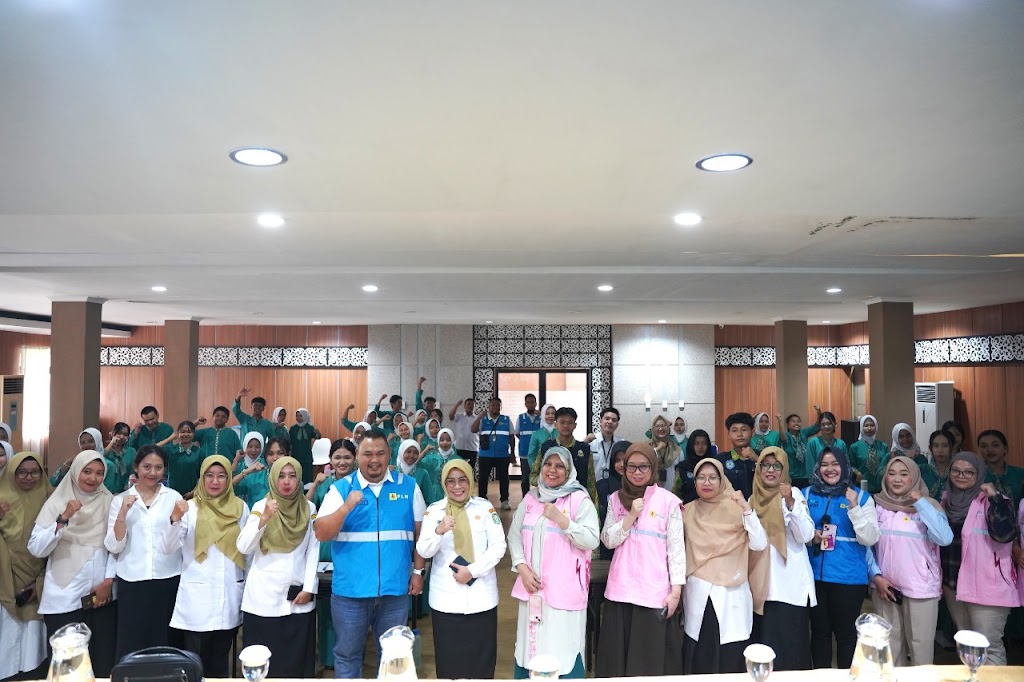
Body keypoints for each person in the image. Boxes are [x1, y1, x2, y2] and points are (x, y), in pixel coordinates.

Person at [314, 429, 426, 679]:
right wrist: (346, 507)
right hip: (350, 594)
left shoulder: (409, 487)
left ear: (389, 455)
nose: (374, 460)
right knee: (347, 655)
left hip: (394, 592)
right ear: (357, 455)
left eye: (380, 453)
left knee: (395, 659)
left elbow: (421, 534)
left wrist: (418, 571)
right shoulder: (341, 489)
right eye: (367, 454)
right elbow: (321, 532)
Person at [508, 446, 598, 679]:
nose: (552, 470)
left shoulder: (579, 500)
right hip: (532, 590)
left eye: (559, 466)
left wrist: (563, 521)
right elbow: (514, 535)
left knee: (562, 650)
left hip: (563, 593)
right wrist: (522, 567)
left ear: (568, 471)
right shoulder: (531, 498)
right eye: (548, 464)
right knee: (530, 649)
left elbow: (591, 539)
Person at [596, 443, 683, 677]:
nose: (637, 472)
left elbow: (676, 550)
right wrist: (631, 516)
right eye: (631, 466)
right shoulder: (615, 499)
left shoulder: (668, 501)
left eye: (643, 466)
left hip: (653, 592)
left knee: (648, 661)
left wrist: (676, 592)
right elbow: (608, 540)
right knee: (617, 661)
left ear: (653, 468)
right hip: (620, 591)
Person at [29, 451, 116, 677]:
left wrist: (108, 581)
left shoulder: (108, 501)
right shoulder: (57, 502)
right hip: (64, 596)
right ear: (76, 471)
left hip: (99, 598)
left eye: (99, 473)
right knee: (66, 667)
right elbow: (36, 548)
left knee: (101, 664)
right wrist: (64, 518)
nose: (93, 478)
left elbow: (116, 546)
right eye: (87, 471)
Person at [419, 459, 508, 679]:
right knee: (449, 663)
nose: (457, 486)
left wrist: (473, 571)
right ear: (444, 483)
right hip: (446, 601)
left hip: (481, 599)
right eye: (450, 481)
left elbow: (498, 546)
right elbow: (424, 550)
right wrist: (439, 531)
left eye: (462, 480)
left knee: (482, 663)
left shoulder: (484, 508)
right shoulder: (434, 511)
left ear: (470, 481)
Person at [162, 455, 248, 677]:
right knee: (195, 662)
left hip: (228, 593)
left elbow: (246, 551)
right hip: (197, 599)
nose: (215, 481)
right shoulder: (189, 508)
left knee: (221, 660)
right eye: (209, 475)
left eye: (221, 476)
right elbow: (168, 547)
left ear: (229, 479)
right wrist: (174, 519)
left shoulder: (240, 508)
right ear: (201, 478)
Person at [682, 458, 767, 674]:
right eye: (701, 477)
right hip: (698, 591)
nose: (706, 482)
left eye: (712, 477)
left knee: (730, 653)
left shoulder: (738, 508)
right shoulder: (687, 511)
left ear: (722, 480)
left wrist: (746, 508)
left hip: (731, 593)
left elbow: (759, 543)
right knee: (700, 652)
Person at [866, 456, 953, 667]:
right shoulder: (878, 506)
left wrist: (920, 503)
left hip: (920, 588)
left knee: (920, 648)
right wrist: (876, 576)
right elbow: (867, 546)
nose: (896, 479)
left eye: (904, 474)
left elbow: (944, 538)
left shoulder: (929, 505)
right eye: (891, 473)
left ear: (914, 477)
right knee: (889, 647)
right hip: (885, 588)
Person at [237, 456, 319, 679]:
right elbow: (243, 546)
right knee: (263, 664)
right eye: (281, 476)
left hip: (297, 597)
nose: (286, 481)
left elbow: (313, 550)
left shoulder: (309, 508)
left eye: (292, 476)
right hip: (262, 600)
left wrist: (309, 588)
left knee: (295, 663)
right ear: (273, 478)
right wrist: (264, 519)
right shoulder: (261, 506)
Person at [940, 451, 1020, 666]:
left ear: (979, 474)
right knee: (966, 642)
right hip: (953, 583)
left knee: (989, 646)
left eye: (968, 472)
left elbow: (1004, 534)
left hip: (986, 586)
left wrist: (994, 498)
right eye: (956, 471)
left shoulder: (995, 501)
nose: (961, 476)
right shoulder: (946, 500)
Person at [104, 445, 184, 660]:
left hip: (167, 578)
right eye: (147, 467)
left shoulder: (173, 498)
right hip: (132, 580)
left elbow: (179, 540)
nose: (152, 472)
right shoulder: (120, 500)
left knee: (165, 642)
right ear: (136, 467)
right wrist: (122, 514)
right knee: (132, 640)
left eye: (158, 467)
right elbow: (114, 546)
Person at [804, 447, 880, 669]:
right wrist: (811, 537)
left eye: (835, 464)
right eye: (824, 464)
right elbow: (797, 532)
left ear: (845, 466)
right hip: (814, 577)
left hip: (848, 579)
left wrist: (854, 507)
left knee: (846, 636)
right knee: (819, 634)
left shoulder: (862, 498)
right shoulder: (807, 494)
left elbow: (870, 538)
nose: (830, 469)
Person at [748, 447, 816, 671]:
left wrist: (789, 502)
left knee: (792, 650)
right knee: (766, 650)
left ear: (784, 469)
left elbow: (806, 535)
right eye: (765, 465)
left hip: (791, 586)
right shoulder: (752, 499)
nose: (770, 470)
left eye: (776, 466)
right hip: (763, 585)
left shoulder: (794, 494)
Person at [0, 452, 51, 680]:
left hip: (37, 574)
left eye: (34, 472)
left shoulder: (50, 497)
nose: (29, 478)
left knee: (32, 639)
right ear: (12, 473)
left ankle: (30, 673)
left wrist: (41, 580)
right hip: (5, 574)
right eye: (22, 472)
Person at [308, 439, 357, 670]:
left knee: (350, 611)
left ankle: (350, 657)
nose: (342, 462)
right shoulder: (324, 484)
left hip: (352, 550)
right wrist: (315, 486)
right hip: (327, 550)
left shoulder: (360, 484)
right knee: (326, 607)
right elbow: (308, 509)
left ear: (355, 458)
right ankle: (329, 658)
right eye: (337, 457)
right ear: (330, 460)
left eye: (347, 457)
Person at [531, 407, 598, 507]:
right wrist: (548, 484)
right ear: (555, 424)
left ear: (575, 425)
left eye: (570, 422)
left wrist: (593, 505)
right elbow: (533, 476)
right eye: (562, 422)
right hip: (551, 501)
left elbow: (591, 481)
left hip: (577, 500)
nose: (566, 426)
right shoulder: (547, 447)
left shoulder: (584, 449)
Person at [472, 397, 514, 510]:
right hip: (485, 455)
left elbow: (511, 437)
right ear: (489, 407)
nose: (495, 407)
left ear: (500, 407)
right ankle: (482, 499)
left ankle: (504, 500)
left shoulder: (506, 419)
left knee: (504, 479)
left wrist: (512, 453)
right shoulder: (483, 420)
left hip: (502, 455)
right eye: (493, 405)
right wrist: (479, 417)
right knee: (483, 478)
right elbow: (473, 429)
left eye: (497, 405)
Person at [891, 422, 941, 500]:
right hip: (896, 498)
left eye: (908, 435)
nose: (905, 439)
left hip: (918, 498)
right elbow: (881, 479)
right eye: (901, 436)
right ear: (895, 439)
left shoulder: (921, 458)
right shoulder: (890, 457)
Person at [776, 406, 823, 488]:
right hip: (792, 476)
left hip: (806, 475)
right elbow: (782, 437)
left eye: (798, 421)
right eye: (793, 421)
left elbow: (817, 427)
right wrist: (780, 422)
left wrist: (819, 412)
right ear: (788, 425)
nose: (796, 423)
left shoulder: (803, 433)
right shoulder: (787, 436)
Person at [978, 429, 1024, 507]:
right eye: (984, 446)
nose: (990, 450)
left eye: (995, 445)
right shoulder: (976, 475)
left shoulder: (1020, 473)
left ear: (1005, 448)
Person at [718, 412, 758, 499]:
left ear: (752, 432)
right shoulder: (720, 460)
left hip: (758, 505)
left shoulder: (764, 456)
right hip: (731, 506)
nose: (739, 434)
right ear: (728, 435)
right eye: (734, 430)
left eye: (744, 429)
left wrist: (757, 459)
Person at [673, 429, 717, 504]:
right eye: (696, 444)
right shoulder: (682, 468)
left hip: (712, 507)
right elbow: (676, 493)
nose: (700, 447)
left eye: (704, 443)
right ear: (691, 445)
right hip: (688, 508)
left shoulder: (714, 465)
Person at [849, 414, 889, 494]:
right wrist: (856, 472)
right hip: (861, 488)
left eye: (872, 425)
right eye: (866, 425)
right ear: (861, 427)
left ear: (876, 427)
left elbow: (887, 465)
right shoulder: (855, 447)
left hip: (881, 489)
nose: (869, 428)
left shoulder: (883, 446)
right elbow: (849, 465)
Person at [165, 420, 205, 496]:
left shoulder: (200, 453)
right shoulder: (170, 450)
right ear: (178, 433)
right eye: (182, 432)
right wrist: (170, 438)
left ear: (193, 434)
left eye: (189, 432)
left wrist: (194, 491)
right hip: (172, 493)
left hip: (192, 493)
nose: (186, 434)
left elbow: (203, 476)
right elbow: (152, 449)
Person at [398, 439, 442, 505]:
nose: (412, 455)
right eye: (408, 451)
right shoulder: (393, 473)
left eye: (416, 453)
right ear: (401, 452)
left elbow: (429, 500)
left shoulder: (423, 474)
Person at [514, 394, 541, 497]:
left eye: (532, 402)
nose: (530, 404)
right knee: (525, 478)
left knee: (540, 477)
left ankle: (541, 498)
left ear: (535, 403)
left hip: (539, 453)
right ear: (525, 404)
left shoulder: (541, 418)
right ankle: (525, 498)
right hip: (525, 453)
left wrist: (542, 415)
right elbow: (517, 433)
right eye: (528, 402)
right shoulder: (521, 417)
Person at [591, 407, 623, 491]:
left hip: (615, 487)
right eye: (607, 418)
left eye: (614, 420)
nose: (610, 422)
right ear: (600, 421)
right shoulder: (590, 443)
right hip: (593, 488)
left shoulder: (621, 444)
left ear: (617, 424)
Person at [806, 411, 847, 476]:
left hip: (838, 480)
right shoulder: (813, 443)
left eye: (829, 424)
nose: (826, 427)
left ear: (835, 424)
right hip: (818, 480)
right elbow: (810, 468)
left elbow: (845, 466)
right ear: (819, 426)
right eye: (823, 424)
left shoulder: (841, 444)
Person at [649, 414, 682, 491]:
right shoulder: (647, 446)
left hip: (672, 490)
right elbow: (645, 460)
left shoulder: (676, 448)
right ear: (653, 429)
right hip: (652, 490)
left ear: (668, 428)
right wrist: (657, 449)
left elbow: (681, 470)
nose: (660, 428)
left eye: (663, 425)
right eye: (657, 426)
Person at [289, 408, 321, 486]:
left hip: (307, 456)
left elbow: (318, 437)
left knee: (307, 476)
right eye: (297, 416)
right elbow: (289, 441)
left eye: (300, 416)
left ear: (305, 416)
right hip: (296, 455)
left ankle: (308, 492)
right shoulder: (293, 428)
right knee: (296, 475)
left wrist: (317, 432)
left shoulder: (310, 427)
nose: (298, 418)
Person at [103, 422, 136, 495]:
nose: (122, 436)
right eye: (119, 433)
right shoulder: (107, 451)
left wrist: (125, 491)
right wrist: (111, 443)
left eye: (125, 435)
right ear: (112, 433)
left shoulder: (131, 452)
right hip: (106, 491)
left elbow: (132, 472)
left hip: (124, 491)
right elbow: (101, 458)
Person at [527, 403, 557, 477]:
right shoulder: (536, 434)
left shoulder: (560, 432)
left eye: (553, 413)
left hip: (558, 470)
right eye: (547, 414)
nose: (550, 416)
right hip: (542, 471)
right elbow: (531, 455)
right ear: (543, 415)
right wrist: (536, 469)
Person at [449, 398, 479, 470]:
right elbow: (451, 416)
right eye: (468, 404)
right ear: (464, 406)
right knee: (459, 468)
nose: (470, 406)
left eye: (472, 405)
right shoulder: (459, 416)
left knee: (470, 469)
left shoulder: (477, 418)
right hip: (460, 447)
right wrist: (457, 405)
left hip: (472, 448)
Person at [926, 429, 955, 498]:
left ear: (952, 448)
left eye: (945, 446)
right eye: (936, 446)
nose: (940, 450)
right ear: (930, 448)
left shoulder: (957, 471)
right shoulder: (922, 470)